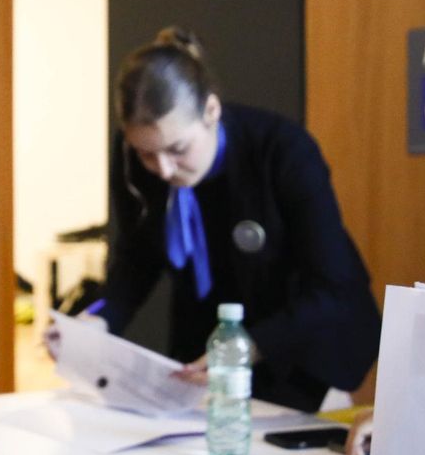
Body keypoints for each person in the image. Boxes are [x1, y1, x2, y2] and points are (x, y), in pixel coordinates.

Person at [87, 26, 381, 411]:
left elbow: (332, 286)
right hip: (212, 334)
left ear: (211, 111)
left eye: (178, 149)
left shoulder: (283, 150)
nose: (161, 168)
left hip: (301, 339)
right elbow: (138, 255)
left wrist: (248, 346)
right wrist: (99, 319)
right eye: (146, 153)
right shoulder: (134, 157)